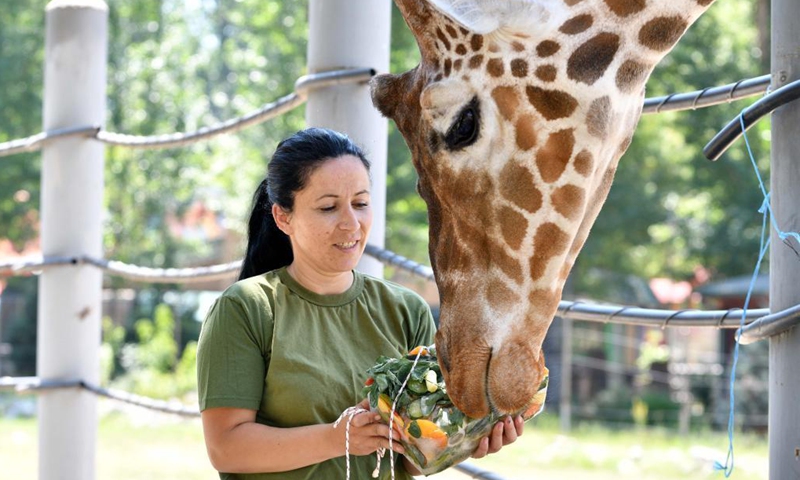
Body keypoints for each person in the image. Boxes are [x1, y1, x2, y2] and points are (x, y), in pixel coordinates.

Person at [196, 128, 523, 479]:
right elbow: (226, 449)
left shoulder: (406, 310)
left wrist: (467, 438)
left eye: (361, 203)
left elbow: (411, 457)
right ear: (283, 217)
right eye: (328, 207)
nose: (351, 224)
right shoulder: (246, 309)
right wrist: (337, 439)